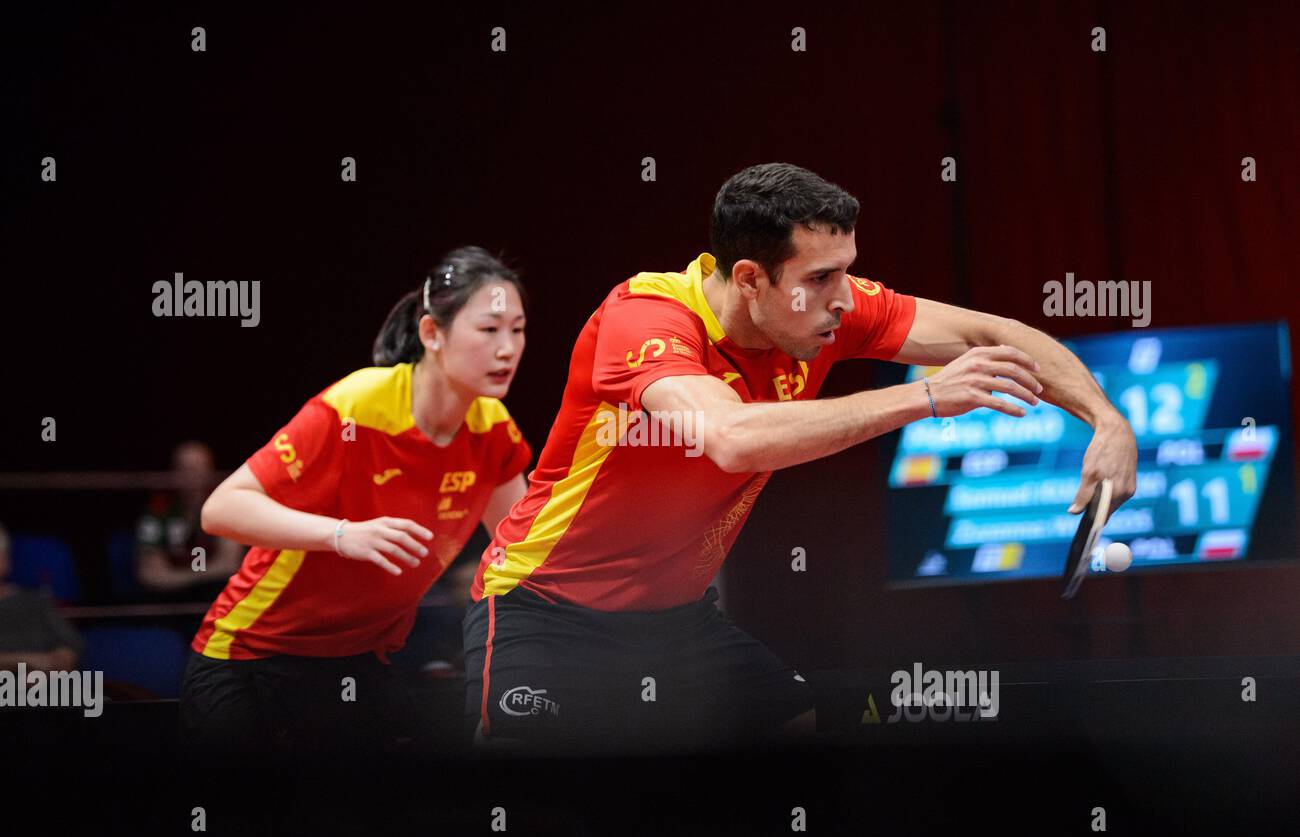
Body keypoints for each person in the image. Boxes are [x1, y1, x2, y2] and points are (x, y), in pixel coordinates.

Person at [464, 162, 1138, 752]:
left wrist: (1106, 420)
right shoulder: (645, 320)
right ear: (752, 278)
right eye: (820, 277)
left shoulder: (832, 311)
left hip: (676, 622)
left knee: (800, 744)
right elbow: (733, 437)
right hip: (545, 609)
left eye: (845, 269)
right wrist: (925, 398)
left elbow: (998, 334)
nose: (844, 297)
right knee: (532, 805)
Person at [181, 246, 532, 760]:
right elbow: (222, 509)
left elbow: (522, 555)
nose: (508, 349)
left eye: (518, 329)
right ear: (432, 334)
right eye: (489, 329)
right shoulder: (356, 408)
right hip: (250, 658)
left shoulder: (494, 432)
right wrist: (342, 535)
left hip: (358, 663)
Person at [135, 441, 244, 602]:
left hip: (214, 596)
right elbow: (150, 574)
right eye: (184, 468)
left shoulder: (224, 506)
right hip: (170, 599)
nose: (191, 474)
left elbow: (229, 564)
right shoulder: (158, 510)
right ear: (173, 471)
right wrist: (198, 577)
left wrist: (187, 577)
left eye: (198, 468)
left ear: (210, 470)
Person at [0, 521, 84, 673]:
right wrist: (26, 661)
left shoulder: (36, 602)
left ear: (5, 561)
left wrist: (63, 658)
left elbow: (70, 644)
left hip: (49, 688)